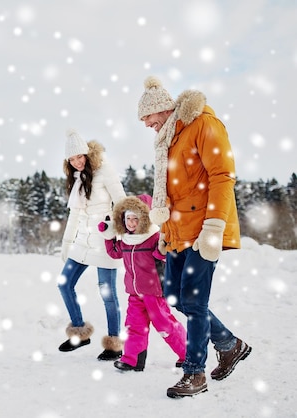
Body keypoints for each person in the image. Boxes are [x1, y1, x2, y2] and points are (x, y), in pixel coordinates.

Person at [137, 76, 252, 398]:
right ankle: (229, 344)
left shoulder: (203, 124)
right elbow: (175, 193)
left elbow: (222, 175)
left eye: (148, 116)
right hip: (179, 233)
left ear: (162, 109)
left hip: (203, 231)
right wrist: (166, 232)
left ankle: (195, 373)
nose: (146, 123)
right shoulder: (169, 139)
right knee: (174, 296)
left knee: (195, 303)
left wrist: (214, 227)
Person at [57, 129, 126, 361]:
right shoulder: (76, 180)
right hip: (81, 243)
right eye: (72, 159)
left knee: (107, 293)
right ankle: (79, 333)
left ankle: (115, 344)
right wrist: (67, 242)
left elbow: (123, 203)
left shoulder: (105, 171)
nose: (77, 162)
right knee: (64, 284)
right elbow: (75, 215)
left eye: (80, 156)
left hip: (104, 241)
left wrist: (114, 229)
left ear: (87, 153)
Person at [98, 194, 186, 372]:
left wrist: (162, 250)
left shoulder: (153, 236)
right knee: (133, 326)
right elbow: (115, 253)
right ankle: (132, 360)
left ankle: (187, 353)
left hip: (154, 292)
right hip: (134, 292)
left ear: (144, 219)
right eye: (128, 218)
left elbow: (165, 255)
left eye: (135, 219)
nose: (131, 223)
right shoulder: (126, 239)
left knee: (165, 325)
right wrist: (108, 236)